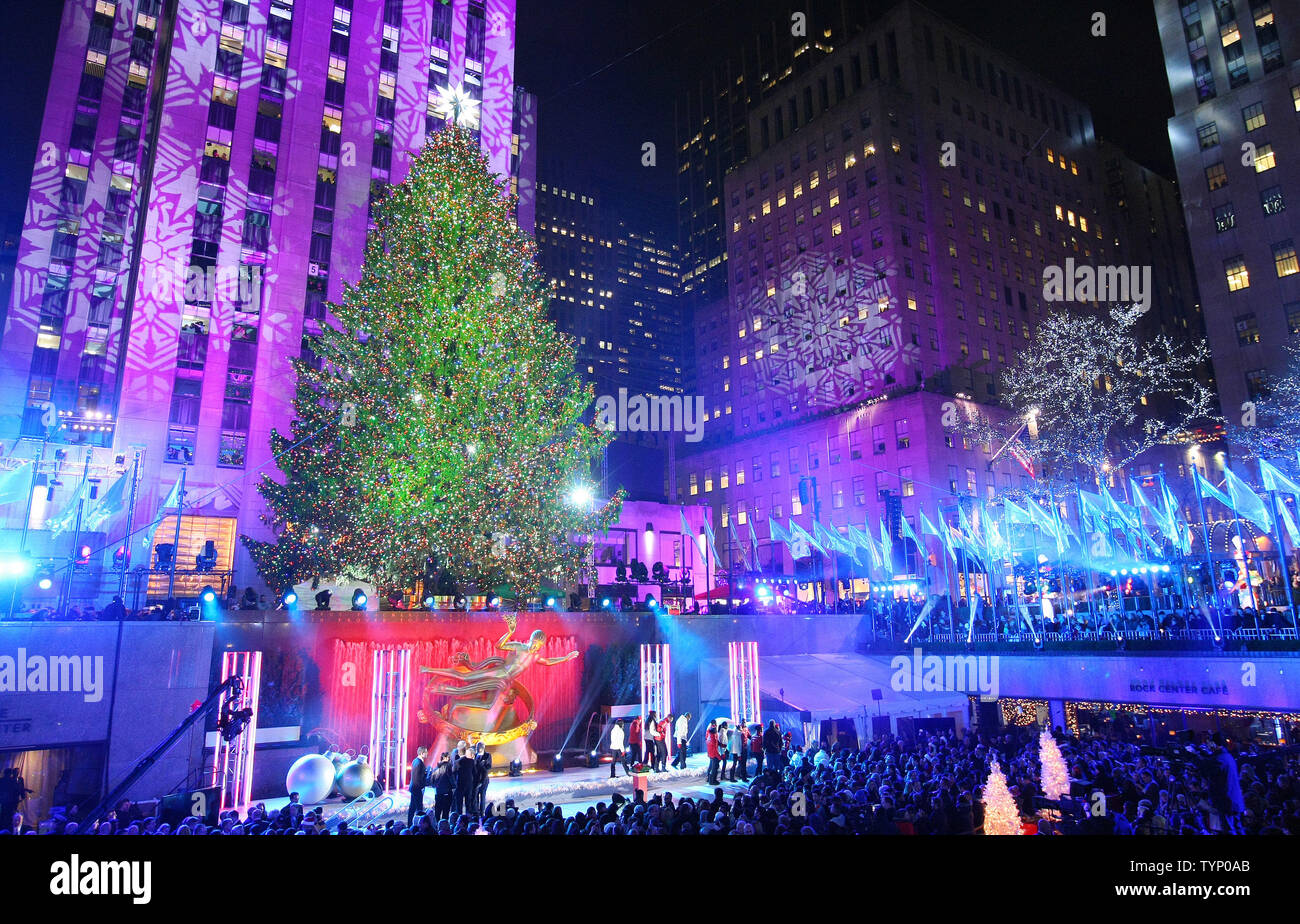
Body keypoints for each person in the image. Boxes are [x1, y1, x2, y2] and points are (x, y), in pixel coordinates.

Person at [453, 740, 476, 817]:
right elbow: (475, 773)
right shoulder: (471, 761)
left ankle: (459, 820)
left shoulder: (457, 762)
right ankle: (469, 820)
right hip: (469, 786)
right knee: (468, 804)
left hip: (459, 786)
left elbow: (453, 773)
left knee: (459, 805)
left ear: (459, 752)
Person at [407, 746, 428, 826]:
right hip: (417, 788)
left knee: (413, 807)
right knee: (418, 808)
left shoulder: (416, 761)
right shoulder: (419, 763)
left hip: (415, 788)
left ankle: (410, 824)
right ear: (422, 753)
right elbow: (416, 777)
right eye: (426, 752)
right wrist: (421, 787)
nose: (427, 754)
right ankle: (419, 825)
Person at [431, 754, 454, 821]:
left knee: (437, 813)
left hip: (438, 793)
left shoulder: (436, 768)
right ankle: (444, 828)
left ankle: (436, 828)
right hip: (447, 793)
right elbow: (452, 781)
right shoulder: (449, 768)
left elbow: (432, 782)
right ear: (446, 758)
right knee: (445, 813)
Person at [474, 742, 491, 815]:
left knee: (482, 795)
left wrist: (483, 764)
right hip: (475, 780)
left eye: (479, 747)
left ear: (483, 747)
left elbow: (489, 766)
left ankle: (482, 812)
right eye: (477, 747)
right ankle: (476, 811)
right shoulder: (475, 755)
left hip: (484, 780)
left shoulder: (487, 755)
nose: (477, 748)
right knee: (476, 796)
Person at [705, 721, 721, 786]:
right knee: (714, 768)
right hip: (714, 754)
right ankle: (712, 780)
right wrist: (719, 757)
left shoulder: (710, 735)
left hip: (711, 753)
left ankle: (709, 778)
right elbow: (714, 746)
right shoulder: (712, 735)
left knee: (711, 766)